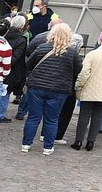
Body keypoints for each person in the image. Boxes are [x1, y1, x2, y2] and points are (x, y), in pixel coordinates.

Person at [21, 23, 81, 155]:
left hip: (37, 86)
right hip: (59, 89)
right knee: (52, 119)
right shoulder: (72, 53)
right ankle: (48, 146)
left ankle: (26, 144)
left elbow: (29, 64)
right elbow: (78, 70)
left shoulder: (42, 47)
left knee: (33, 117)